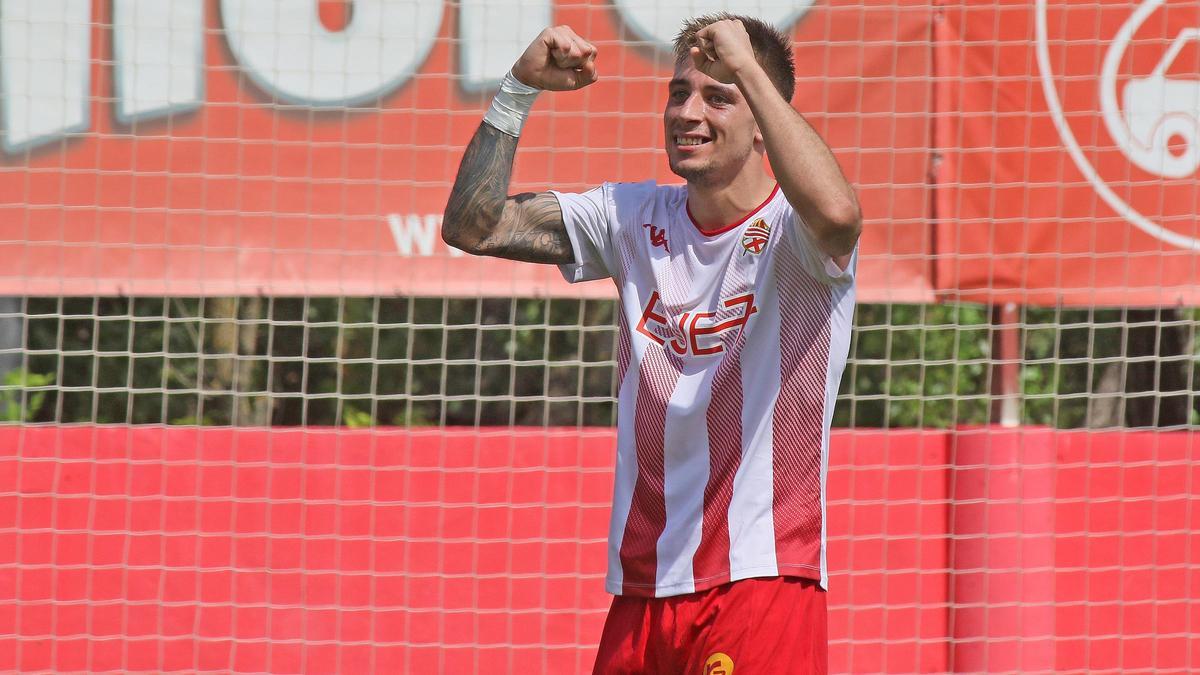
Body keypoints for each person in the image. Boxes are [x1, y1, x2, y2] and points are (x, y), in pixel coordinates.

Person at [442, 12, 861, 674]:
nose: (687, 111)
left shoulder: (798, 236)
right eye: (678, 93)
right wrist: (518, 88)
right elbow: (474, 225)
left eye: (717, 96)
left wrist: (748, 68)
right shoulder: (633, 218)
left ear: (762, 123)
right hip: (642, 592)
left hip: (760, 578)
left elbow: (840, 214)